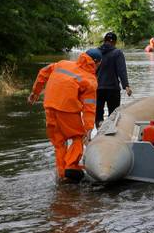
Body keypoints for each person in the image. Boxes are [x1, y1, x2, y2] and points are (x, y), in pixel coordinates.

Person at [28, 48, 103, 182]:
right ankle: (71, 166)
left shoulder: (62, 63)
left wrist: (35, 93)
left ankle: (62, 174)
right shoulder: (90, 80)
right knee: (77, 137)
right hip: (67, 110)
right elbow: (89, 107)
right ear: (96, 63)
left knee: (59, 142)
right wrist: (88, 129)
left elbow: (42, 73)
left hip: (49, 107)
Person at [95, 31, 132, 128]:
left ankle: (99, 130)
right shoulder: (117, 53)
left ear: (104, 41)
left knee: (98, 114)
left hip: (97, 88)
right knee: (113, 114)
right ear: (115, 42)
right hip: (112, 88)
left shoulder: (96, 52)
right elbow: (121, 70)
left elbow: (90, 70)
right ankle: (110, 133)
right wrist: (126, 86)